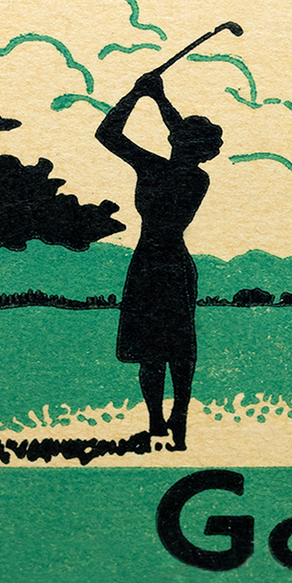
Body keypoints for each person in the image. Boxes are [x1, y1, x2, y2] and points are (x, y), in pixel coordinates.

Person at [95, 70, 224, 450]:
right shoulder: (196, 177)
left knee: (154, 350)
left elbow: (107, 133)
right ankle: (173, 415)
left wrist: (139, 95)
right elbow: (179, 134)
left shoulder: (155, 168)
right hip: (174, 262)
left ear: (180, 142)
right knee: (177, 347)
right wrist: (158, 97)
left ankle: (161, 420)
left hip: (150, 260)